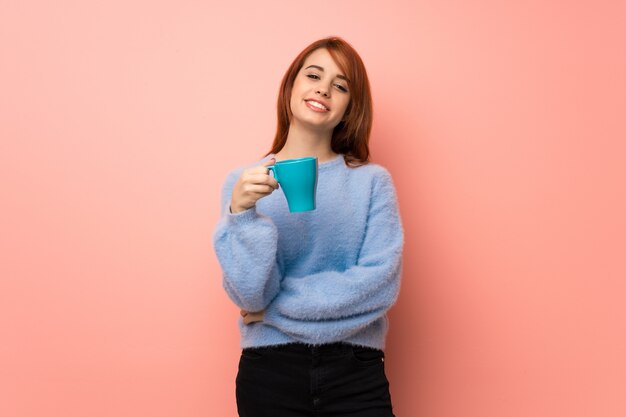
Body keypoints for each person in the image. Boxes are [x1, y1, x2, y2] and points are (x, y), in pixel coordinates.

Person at [213, 36, 404, 417]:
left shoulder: (372, 182)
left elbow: (379, 285)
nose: (323, 88)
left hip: (356, 369)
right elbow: (251, 298)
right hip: (270, 371)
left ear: (351, 106)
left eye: (341, 85)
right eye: (314, 75)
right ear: (291, 87)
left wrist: (275, 313)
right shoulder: (243, 183)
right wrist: (242, 215)